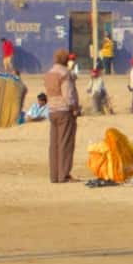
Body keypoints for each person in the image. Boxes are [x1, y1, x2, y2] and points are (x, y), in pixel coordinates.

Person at [45, 50, 80, 184]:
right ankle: (64, 175)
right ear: (66, 60)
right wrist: (74, 108)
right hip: (64, 111)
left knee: (54, 144)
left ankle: (54, 176)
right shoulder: (65, 74)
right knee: (65, 143)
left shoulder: (49, 73)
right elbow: (68, 95)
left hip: (52, 110)